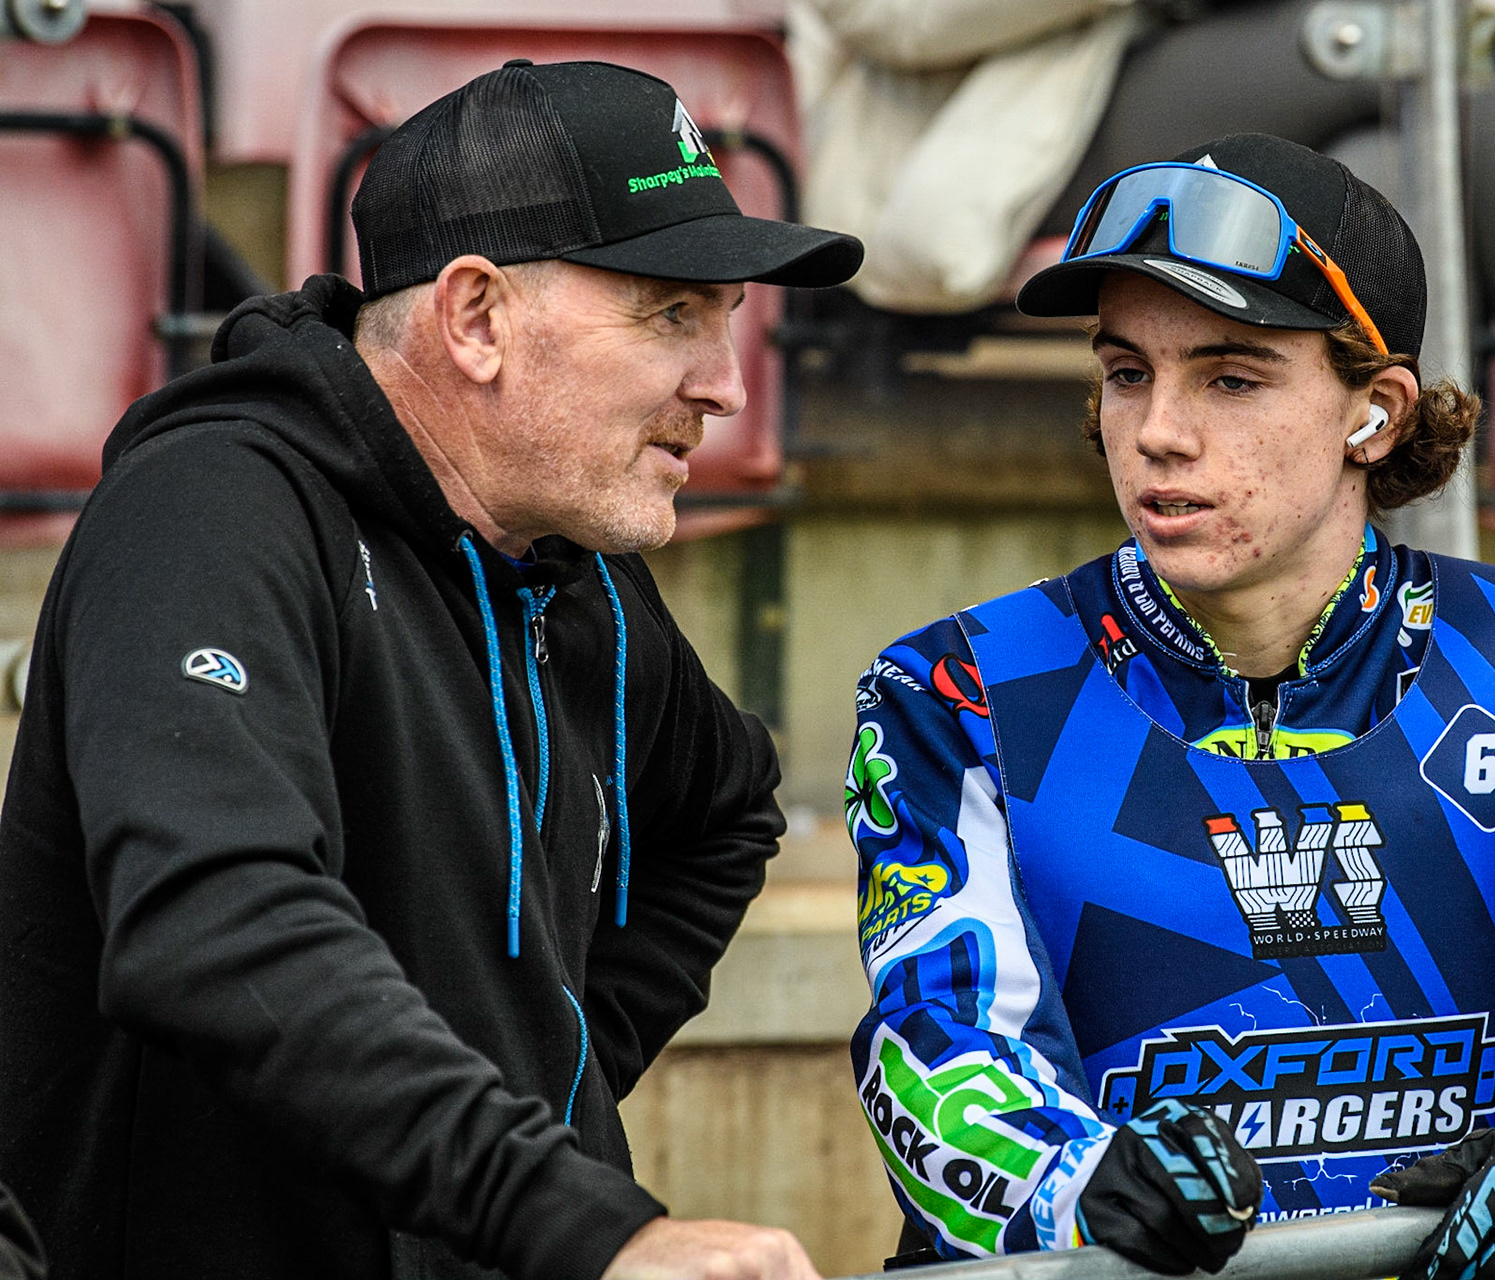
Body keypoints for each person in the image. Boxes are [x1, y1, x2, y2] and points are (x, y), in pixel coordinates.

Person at [844, 133, 1495, 1278]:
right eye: (1127, 371)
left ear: (1376, 413)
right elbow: (929, 1048)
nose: (1156, 431)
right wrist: (1078, 1180)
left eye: (1231, 378)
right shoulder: (960, 688)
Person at [0, 60, 861, 1280]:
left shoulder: (580, 560)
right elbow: (214, 925)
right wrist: (573, 1212)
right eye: (672, 313)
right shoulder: (210, 512)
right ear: (477, 318)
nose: (724, 381)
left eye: (727, 317)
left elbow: (725, 812)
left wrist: (549, 1084)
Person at [791, 0, 1495, 630]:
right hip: (978, 145)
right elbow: (886, 15)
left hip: (1163, 78)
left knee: (1396, 141)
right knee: (1434, 56)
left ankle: (1363, 618)